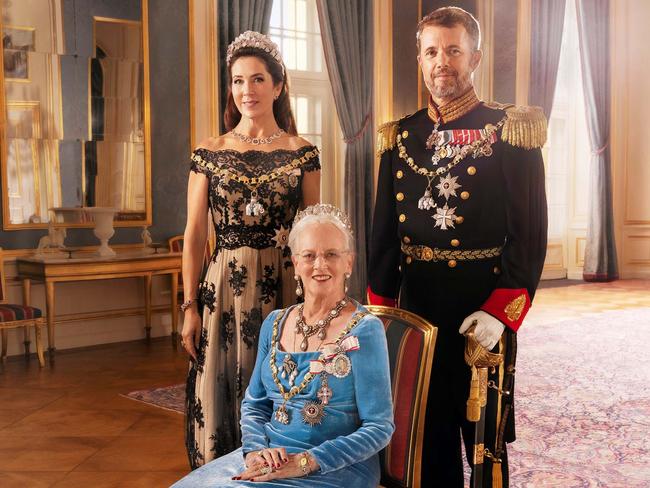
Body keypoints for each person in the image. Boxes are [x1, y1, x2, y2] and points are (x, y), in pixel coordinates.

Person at [368, 7, 547, 488]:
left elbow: (529, 236)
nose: (440, 61)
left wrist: (500, 312)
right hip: (418, 311)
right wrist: (383, 316)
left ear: (475, 57)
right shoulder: (400, 135)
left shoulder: (511, 129)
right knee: (421, 437)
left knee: (484, 442)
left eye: (452, 50)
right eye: (431, 51)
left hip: (481, 310)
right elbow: (383, 237)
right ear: (420, 60)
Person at [173, 204, 395, 488]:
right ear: (295, 262)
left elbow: (379, 428)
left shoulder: (365, 330)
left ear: (349, 262)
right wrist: (255, 453)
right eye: (309, 255)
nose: (320, 265)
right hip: (270, 458)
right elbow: (255, 404)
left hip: (335, 468)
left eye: (331, 254)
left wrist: (305, 462)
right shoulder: (275, 322)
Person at [181, 31, 321, 468]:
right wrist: (188, 307)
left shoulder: (303, 154)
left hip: (283, 289)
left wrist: (315, 306)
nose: (247, 90)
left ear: (278, 87)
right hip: (221, 291)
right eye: (238, 81)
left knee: (281, 385)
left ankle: (279, 471)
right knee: (219, 387)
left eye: (258, 79)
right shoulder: (208, 152)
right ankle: (221, 474)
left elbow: (313, 236)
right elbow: (193, 236)